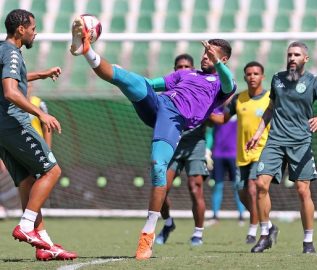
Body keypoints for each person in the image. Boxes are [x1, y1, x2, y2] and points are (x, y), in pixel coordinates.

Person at [70, 17, 236, 260]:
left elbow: (229, 81)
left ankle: (147, 236)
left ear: (223, 60)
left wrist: (217, 61)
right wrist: (125, 77)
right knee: (128, 79)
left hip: (174, 122)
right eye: (204, 52)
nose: (204, 56)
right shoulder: (186, 74)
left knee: (159, 167)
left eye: (210, 54)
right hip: (159, 104)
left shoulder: (221, 85)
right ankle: (86, 49)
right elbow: (152, 83)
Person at [1, 9, 77, 260]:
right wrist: (40, 114)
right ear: (21, 29)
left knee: (27, 181)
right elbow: (11, 92)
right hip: (13, 122)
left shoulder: (4, 50)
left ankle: (44, 245)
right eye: (33, 28)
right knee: (52, 171)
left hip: (2, 127)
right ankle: (25, 227)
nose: (35, 32)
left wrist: (40, 74)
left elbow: (13, 80)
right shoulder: (11, 53)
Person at [247, 42, 317, 253]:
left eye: (296, 55)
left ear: (306, 58)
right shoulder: (277, 78)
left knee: (303, 190)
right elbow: (270, 108)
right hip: (275, 140)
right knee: (260, 184)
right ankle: (266, 233)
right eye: (289, 55)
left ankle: (308, 241)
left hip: (300, 142)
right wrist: (258, 134)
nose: (292, 58)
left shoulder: (313, 81)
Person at [156, 53, 210, 246]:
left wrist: (207, 112)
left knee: (195, 189)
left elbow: (219, 118)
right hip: (173, 144)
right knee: (161, 188)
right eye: (179, 67)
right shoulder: (167, 94)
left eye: (187, 66)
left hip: (195, 145)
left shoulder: (203, 88)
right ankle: (168, 223)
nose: (183, 70)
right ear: (174, 70)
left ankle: (198, 233)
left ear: (193, 69)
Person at [220, 61, 271, 244]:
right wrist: (205, 112)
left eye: (256, 74)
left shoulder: (270, 99)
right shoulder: (238, 99)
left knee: (252, 187)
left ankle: (252, 231)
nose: (252, 77)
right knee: (241, 192)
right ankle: (270, 225)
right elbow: (223, 119)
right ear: (244, 77)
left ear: (262, 76)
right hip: (242, 154)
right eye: (249, 74)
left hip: (263, 151)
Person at [204, 119, 246, 227]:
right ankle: (214, 216)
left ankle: (242, 216)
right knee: (217, 186)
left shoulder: (239, 109)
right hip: (218, 155)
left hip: (235, 155)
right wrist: (207, 149)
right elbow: (210, 132)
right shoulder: (216, 113)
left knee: (237, 186)